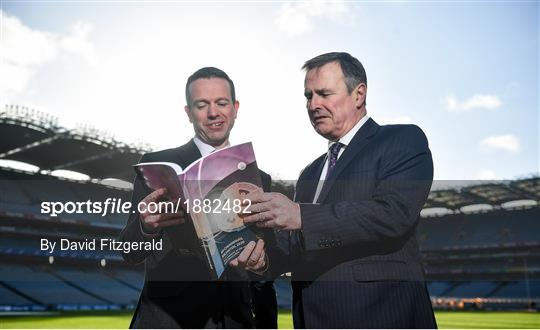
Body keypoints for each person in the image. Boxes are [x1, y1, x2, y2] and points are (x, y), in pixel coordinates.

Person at [241, 52, 437, 328]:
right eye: (308, 96)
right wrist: (262, 261)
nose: (314, 104)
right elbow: (299, 245)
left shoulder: (402, 140)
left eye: (324, 94)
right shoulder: (309, 173)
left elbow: (392, 214)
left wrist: (299, 215)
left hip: (380, 317)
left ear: (358, 94)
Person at [119, 67, 277, 328]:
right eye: (202, 104)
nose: (213, 112)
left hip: (234, 319)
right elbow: (129, 251)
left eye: (221, 103)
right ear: (188, 112)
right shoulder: (158, 165)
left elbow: (265, 271)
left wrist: (261, 267)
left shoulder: (261, 178)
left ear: (235, 108)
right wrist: (145, 227)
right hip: (168, 320)